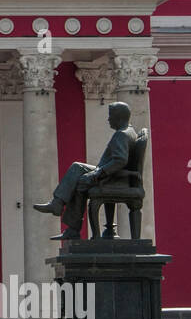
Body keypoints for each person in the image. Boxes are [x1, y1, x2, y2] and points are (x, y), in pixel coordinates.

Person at [32, 101, 138, 240]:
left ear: (118, 118)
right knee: (77, 168)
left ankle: (65, 217)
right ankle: (59, 207)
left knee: (81, 180)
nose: (108, 119)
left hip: (113, 178)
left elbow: (120, 160)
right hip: (114, 175)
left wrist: (97, 173)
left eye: (110, 116)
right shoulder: (129, 132)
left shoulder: (122, 135)